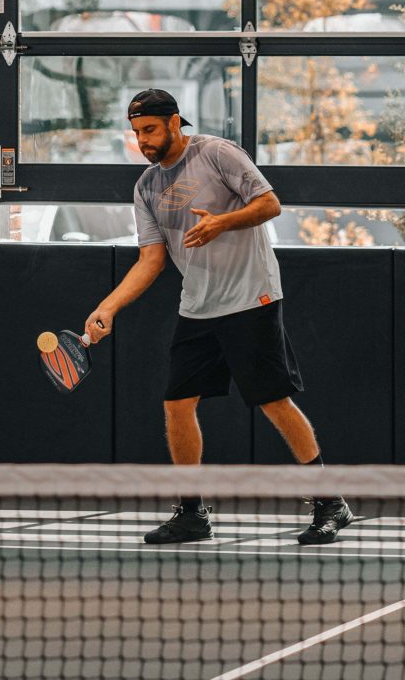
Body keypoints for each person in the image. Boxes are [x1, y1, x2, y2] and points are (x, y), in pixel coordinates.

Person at [84, 88, 353, 546]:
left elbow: (270, 204)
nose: (143, 141)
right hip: (198, 307)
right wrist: (107, 307)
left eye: (149, 129)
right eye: (135, 133)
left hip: (252, 298)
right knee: (177, 405)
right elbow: (151, 259)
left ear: (174, 123)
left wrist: (221, 222)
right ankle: (192, 513)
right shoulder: (147, 186)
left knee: (274, 402)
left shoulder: (217, 154)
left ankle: (331, 502)